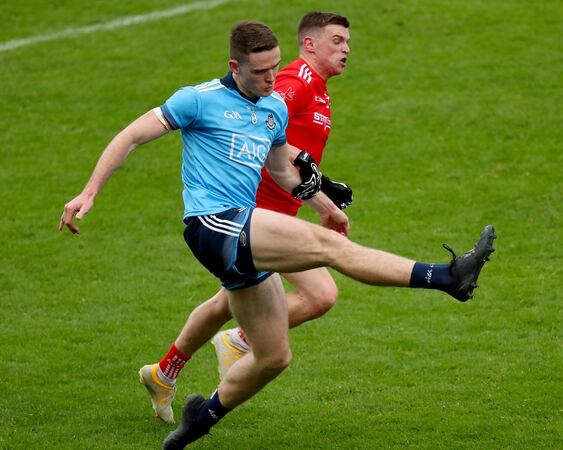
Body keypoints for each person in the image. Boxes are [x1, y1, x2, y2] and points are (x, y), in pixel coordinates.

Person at [60, 20, 495, 450]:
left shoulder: (273, 109)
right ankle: (447, 277)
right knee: (330, 250)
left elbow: (283, 171)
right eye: (261, 71)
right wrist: (89, 191)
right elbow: (131, 136)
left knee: (273, 357)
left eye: (275, 68)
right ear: (236, 66)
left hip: (241, 230)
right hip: (213, 224)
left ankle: (197, 423)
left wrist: (324, 200)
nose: (272, 78)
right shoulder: (198, 100)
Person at [136, 11, 356, 426]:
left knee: (225, 302)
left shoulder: (318, 88)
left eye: (347, 41)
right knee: (321, 293)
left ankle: (164, 373)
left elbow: (286, 152)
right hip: (255, 210)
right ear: (309, 44)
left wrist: (319, 191)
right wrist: (321, 189)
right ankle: (239, 340)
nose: (346, 49)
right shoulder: (293, 83)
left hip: (277, 208)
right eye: (337, 40)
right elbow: (267, 130)